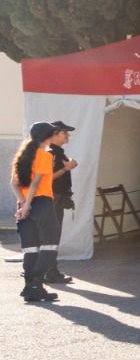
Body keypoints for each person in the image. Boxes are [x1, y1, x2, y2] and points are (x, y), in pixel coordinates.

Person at [12, 122, 64, 303]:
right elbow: (36, 184)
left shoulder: (22, 156)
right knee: (50, 245)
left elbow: (13, 184)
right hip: (41, 204)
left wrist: (23, 205)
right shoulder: (44, 155)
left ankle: (32, 287)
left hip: (24, 206)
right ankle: (34, 283)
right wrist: (27, 206)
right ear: (48, 137)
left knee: (30, 247)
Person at [44, 121, 78, 285]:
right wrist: (66, 168)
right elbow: (45, 178)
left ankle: (49, 271)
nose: (68, 135)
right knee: (51, 236)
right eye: (65, 133)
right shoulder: (51, 153)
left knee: (52, 236)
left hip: (58, 197)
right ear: (55, 134)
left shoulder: (57, 152)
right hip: (53, 198)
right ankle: (50, 273)